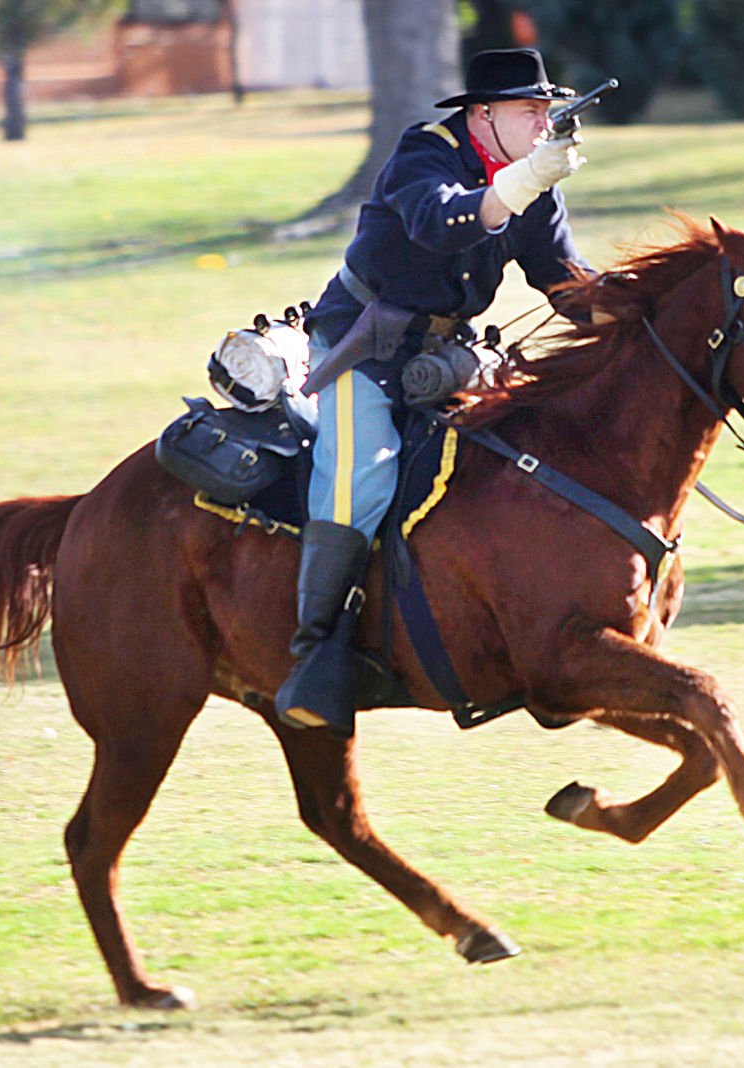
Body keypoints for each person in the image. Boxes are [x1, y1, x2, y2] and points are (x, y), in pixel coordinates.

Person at [276, 48, 595, 736]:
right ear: (482, 116)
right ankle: (313, 654)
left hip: (443, 355)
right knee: (361, 477)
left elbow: (563, 279)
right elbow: (438, 222)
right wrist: (525, 182)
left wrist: (643, 318)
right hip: (360, 342)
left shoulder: (529, 182)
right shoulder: (424, 151)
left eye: (546, 111)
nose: (544, 124)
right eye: (528, 111)